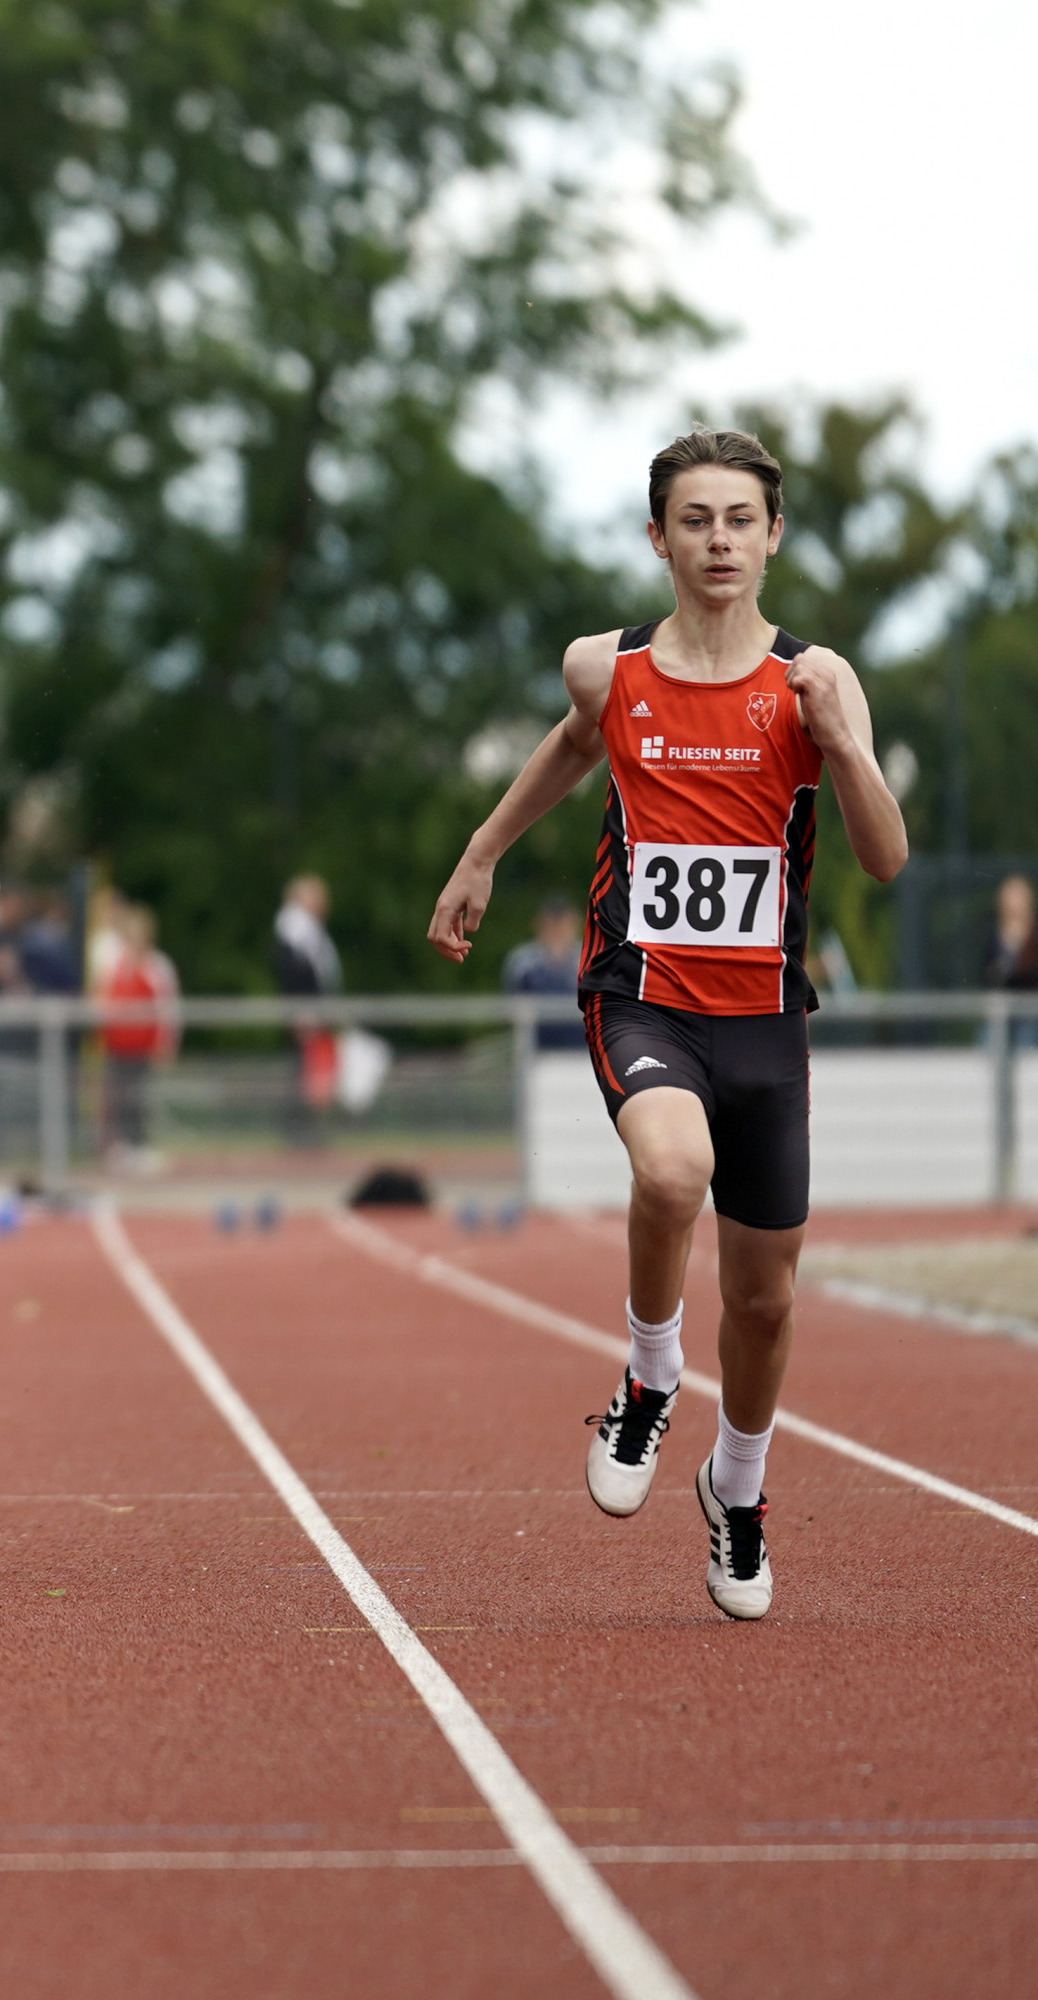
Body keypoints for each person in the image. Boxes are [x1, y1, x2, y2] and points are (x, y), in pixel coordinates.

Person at [428, 428, 907, 1621]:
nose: (717, 541)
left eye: (738, 519)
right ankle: (648, 1371)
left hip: (762, 1023)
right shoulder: (606, 666)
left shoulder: (815, 680)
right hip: (639, 994)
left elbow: (886, 856)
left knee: (763, 1298)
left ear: (772, 535)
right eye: (694, 520)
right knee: (669, 1164)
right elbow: (570, 746)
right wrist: (482, 853)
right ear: (657, 538)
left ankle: (732, 1489)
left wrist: (840, 740)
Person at [97, 900, 179, 1167]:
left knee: (139, 1097)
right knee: (116, 1097)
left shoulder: (158, 966)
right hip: (116, 1043)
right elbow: (104, 1000)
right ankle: (118, 1148)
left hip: (143, 1045)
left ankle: (139, 1146)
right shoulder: (114, 963)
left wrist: (166, 1043)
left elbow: (168, 1009)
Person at [274, 873, 341, 1146]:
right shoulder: (294, 930)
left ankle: (306, 1132)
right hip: (306, 1014)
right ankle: (298, 1134)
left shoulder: (305, 930)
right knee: (304, 1073)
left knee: (311, 1073)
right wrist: (301, 1011)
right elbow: (292, 973)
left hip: (314, 1012)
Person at [502, 897, 585, 1050]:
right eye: (552, 926)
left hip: (582, 1050)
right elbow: (512, 1008)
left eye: (563, 926)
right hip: (536, 1050)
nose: (558, 932)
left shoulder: (588, 960)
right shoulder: (524, 962)